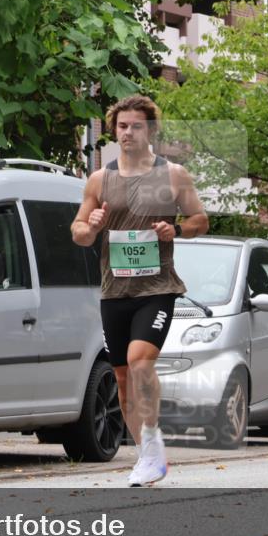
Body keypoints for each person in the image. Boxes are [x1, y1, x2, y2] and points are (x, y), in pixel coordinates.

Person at [71, 95, 209, 485]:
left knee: (140, 361)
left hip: (157, 287)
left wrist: (175, 229)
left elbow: (200, 220)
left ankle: (151, 439)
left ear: (150, 130)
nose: (128, 132)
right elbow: (79, 233)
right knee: (122, 379)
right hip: (115, 291)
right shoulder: (100, 179)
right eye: (122, 126)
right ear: (114, 130)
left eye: (136, 126)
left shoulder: (173, 175)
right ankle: (148, 455)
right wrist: (92, 226)